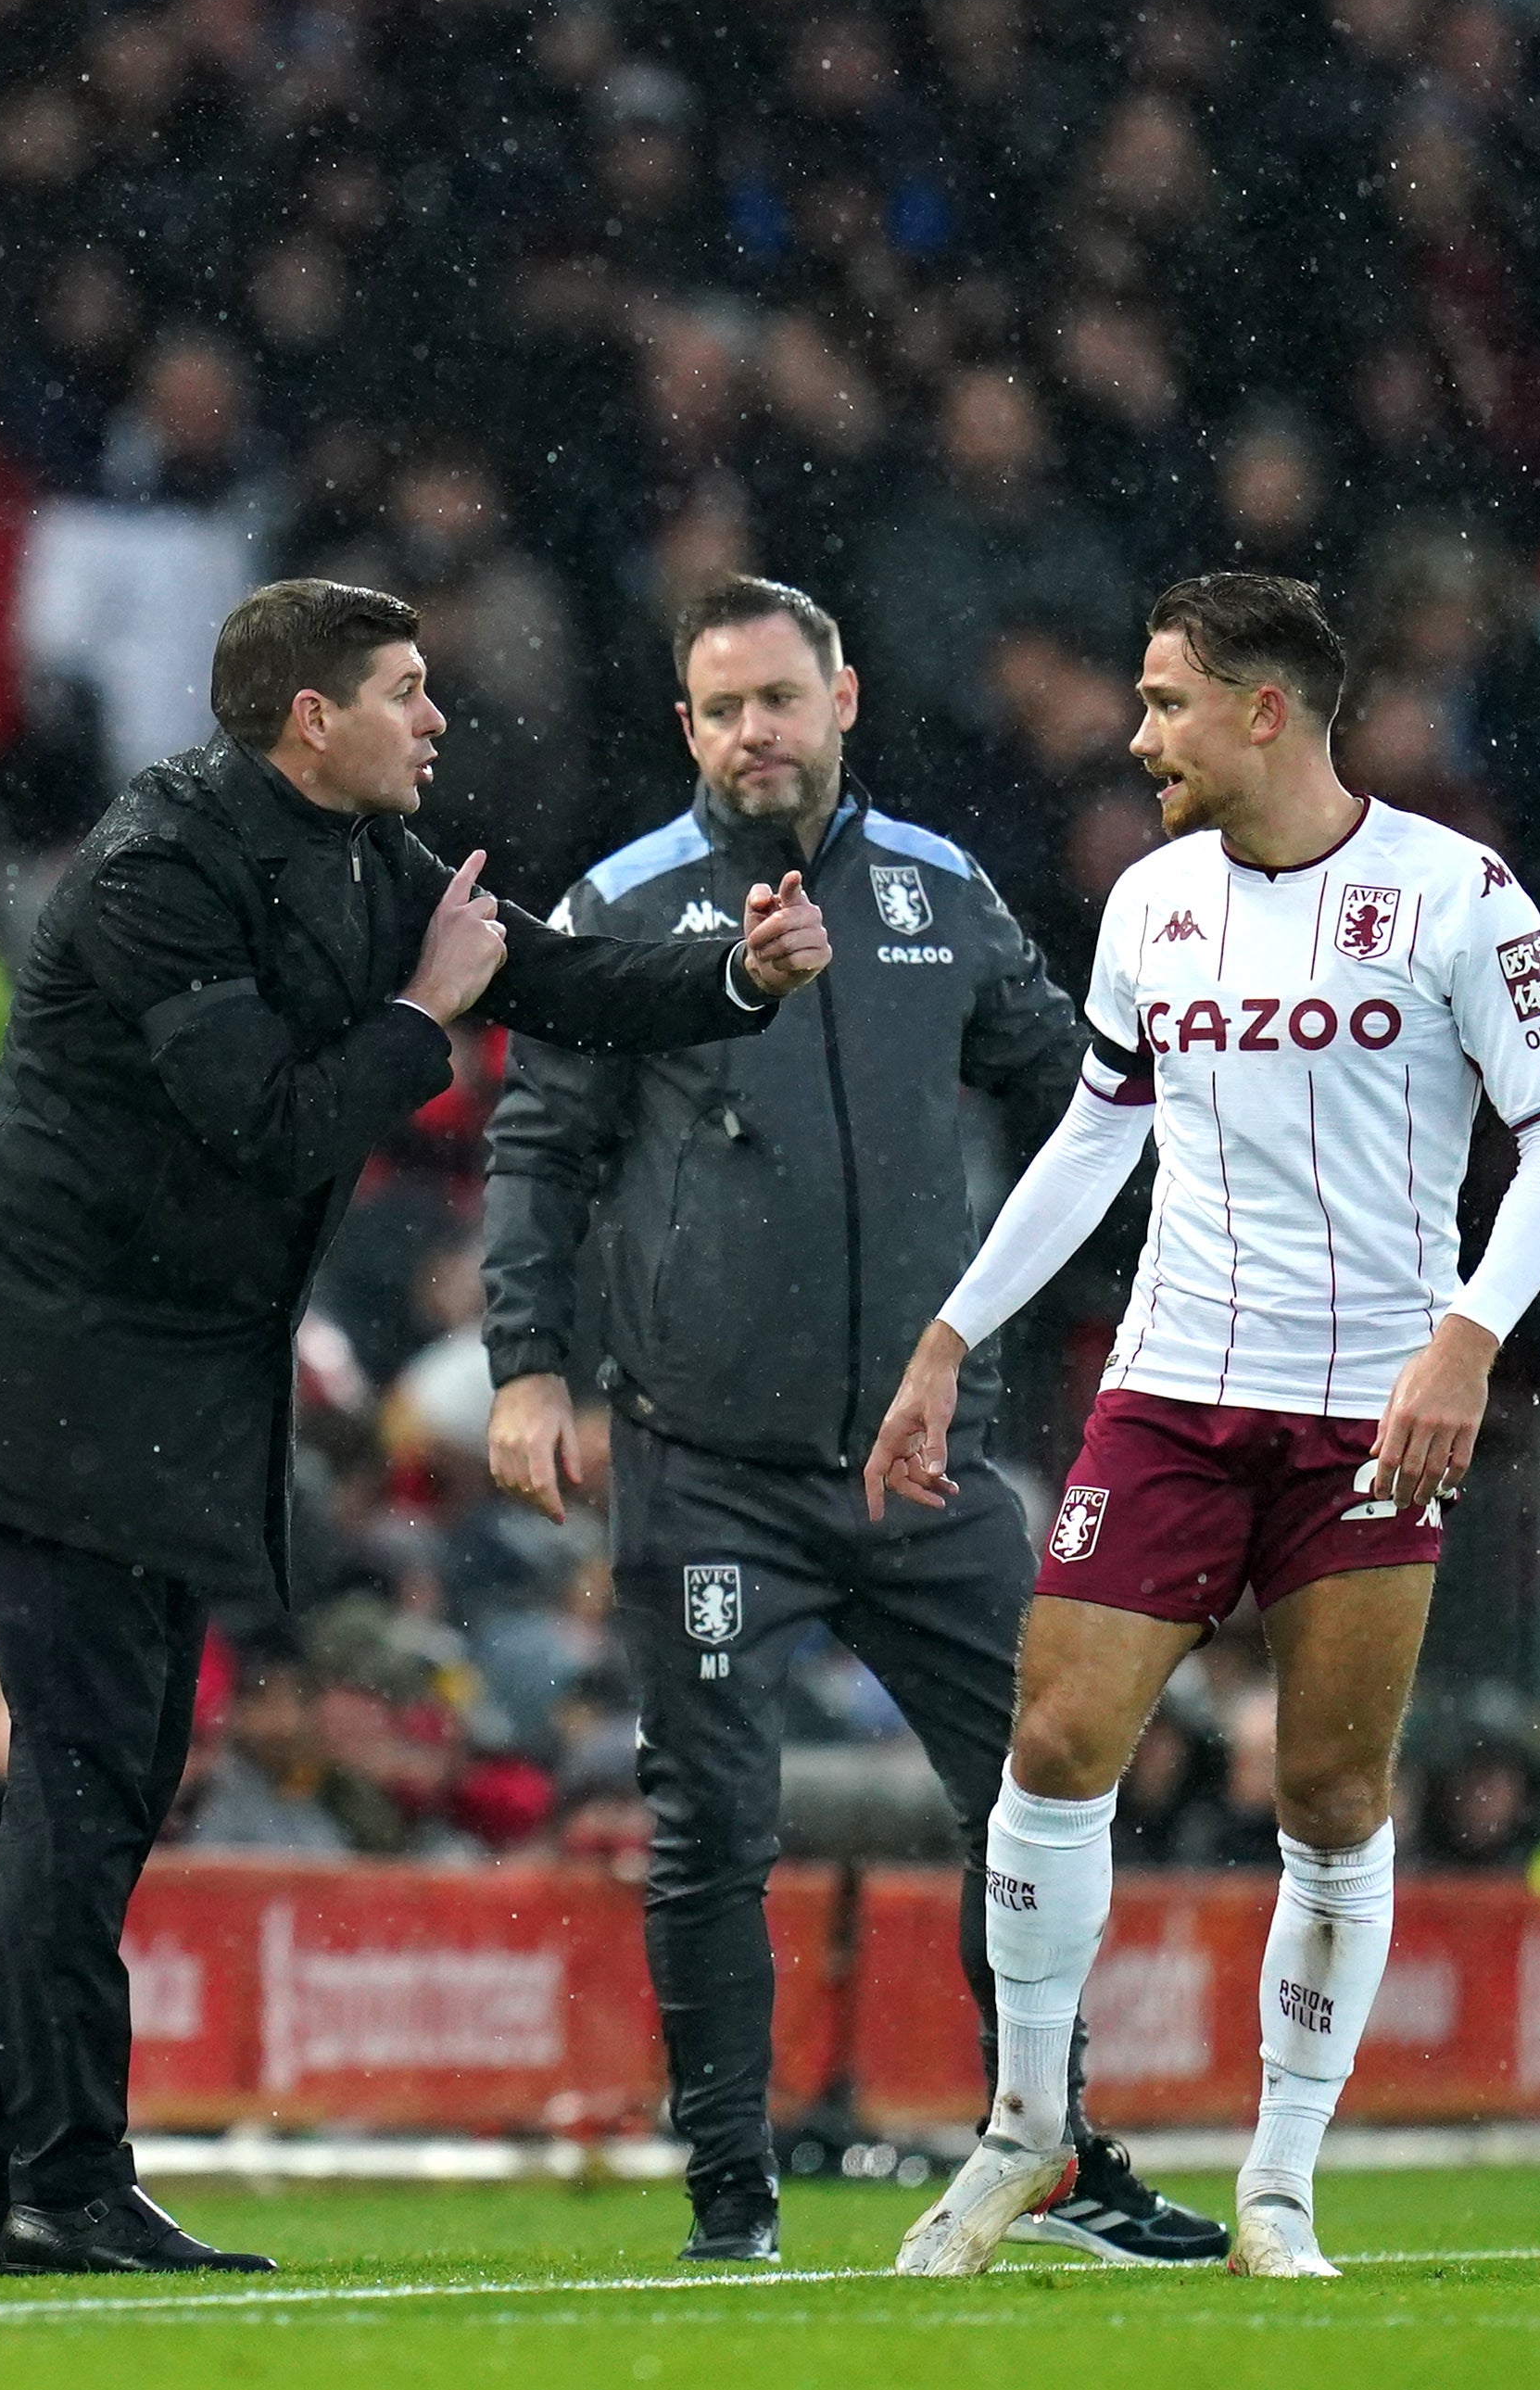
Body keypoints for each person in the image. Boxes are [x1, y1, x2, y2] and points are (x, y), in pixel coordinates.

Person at [0, 577, 834, 2277]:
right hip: (54, 1360)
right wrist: (422, 1017)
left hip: (169, 1365)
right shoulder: (158, 867)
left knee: (95, 1776)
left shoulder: (349, 850)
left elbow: (547, 975)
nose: (437, 717)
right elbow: (263, 1118)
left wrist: (734, 979)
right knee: (93, 1776)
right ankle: (57, 2172)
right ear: (307, 716)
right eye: (405, 690)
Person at [868, 573, 1540, 2283]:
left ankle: (1277, 2182)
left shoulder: (1455, 896)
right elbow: (1091, 1137)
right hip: (1174, 1390)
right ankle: (1028, 2135)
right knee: (1053, 1744)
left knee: (1333, 1790)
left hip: (1367, 1411)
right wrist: (950, 1328)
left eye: (1167, 704)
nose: (1138, 738)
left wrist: (1467, 1336)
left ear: (1264, 710)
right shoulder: (1147, 904)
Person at [479, 575, 1220, 2270]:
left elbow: (1086, 1103)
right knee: (713, 1825)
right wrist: (528, 1362)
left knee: (1036, 1795)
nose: (753, 732)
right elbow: (538, 1146)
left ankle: (1053, 2153)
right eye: (720, 707)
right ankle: (730, 2198)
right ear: (684, 728)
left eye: (777, 700)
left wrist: (1188, 1273)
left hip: (919, 1461)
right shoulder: (622, 904)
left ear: (844, 698)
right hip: (708, 1467)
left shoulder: (942, 895)